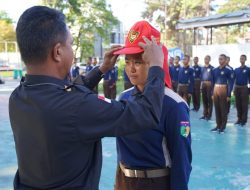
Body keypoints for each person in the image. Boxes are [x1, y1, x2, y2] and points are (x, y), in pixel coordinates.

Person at [9, 6, 166, 190]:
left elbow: (66, 95)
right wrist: (156, 65)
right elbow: (145, 114)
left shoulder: (19, 96)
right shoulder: (78, 107)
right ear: (58, 52)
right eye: (70, 44)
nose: (73, 52)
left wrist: (101, 69)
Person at [113, 21, 192, 190]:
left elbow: (182, 159)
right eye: (127, 62)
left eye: (139, 62)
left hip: (155, 184)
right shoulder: (124, 98)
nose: (131, 69)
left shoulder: (174, 105)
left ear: (156, 62)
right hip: (124, 181)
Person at [211, 54, 234, 133]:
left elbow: (231, 83)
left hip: (224, 89)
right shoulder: (214, 70)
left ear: (225, 60)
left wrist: (228, 94)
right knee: (217, 108)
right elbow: (212, 82)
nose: (220, 60)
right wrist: (212, 93)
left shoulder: (229, 70)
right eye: (219, 59)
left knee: (223, 109)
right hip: (216, 89)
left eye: (221, 59)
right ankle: (218, 125)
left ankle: (223, 127)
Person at [234, 55, 250, 126]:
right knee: (238, 104)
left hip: (244, 88)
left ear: (245, 59)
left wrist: (249, 90)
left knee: (244, 105)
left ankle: (243, 120)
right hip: (237, 88)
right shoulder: (236, 69)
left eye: (243, 58)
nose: (241, 60)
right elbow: (234, 80)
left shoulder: (248, 69)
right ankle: (239, 119)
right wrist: (234, 88)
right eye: (240, 58)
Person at [200, 55, 214, 120]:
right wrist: (201, 85)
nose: (206, 60)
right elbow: (201, 77)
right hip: (203, 85)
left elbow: (213, 78)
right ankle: (205, 114)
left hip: (209, 85)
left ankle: (209, 115)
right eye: (205, 59)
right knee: (204, 100)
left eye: (207, 59)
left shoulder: (212, 68)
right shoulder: (202, 68)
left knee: (209, 101)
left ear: (209, 60)